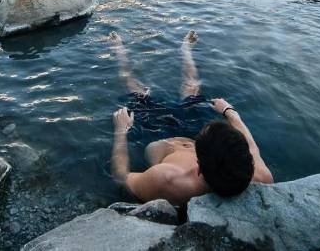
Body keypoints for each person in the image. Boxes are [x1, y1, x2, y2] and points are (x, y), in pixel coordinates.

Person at [109, 31, 273, 205]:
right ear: (248, 162)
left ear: (198, 169)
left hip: (157, 134)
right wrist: (228, 111)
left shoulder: (168, 181)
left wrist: (120, 131)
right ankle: (185, 49)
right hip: (200, 144)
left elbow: (121, 178)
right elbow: (251, 145)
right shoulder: (260, 176)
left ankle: (118, 48)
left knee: (137, 92)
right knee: (192, 89)